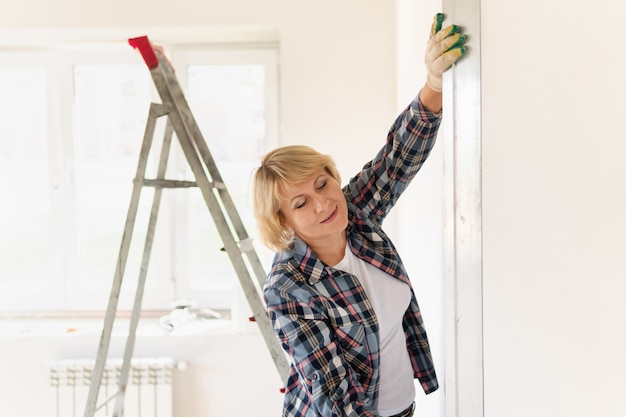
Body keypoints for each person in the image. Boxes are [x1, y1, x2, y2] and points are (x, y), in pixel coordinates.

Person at [252, 13, 467, 417]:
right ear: (284, 222)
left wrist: (435, 83)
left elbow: (398, 157)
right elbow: (330, 392)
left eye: (322, 183)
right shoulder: (288, 288)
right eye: (300, 204)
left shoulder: (355, 215)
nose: (323, 203)